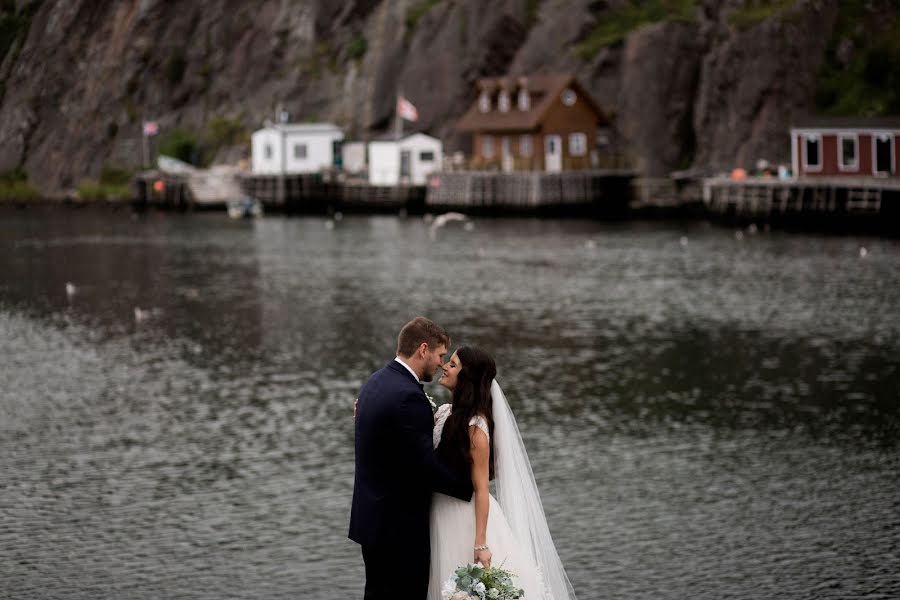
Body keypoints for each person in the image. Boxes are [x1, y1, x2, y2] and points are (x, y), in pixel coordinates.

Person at [427, 346, 577, 600]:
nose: (444, 366)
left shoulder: (477, 428)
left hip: (463, 517)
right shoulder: (442, 413)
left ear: (467, 379)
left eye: (452, 365)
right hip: (437, 512)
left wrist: (481, 543)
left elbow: (482, 489)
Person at [349, 317, 474, 600]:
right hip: (399, 529)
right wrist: (468, 490)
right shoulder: (407, 395)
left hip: (374, 519)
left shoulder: (377, 381)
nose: (442, 363)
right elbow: (423, 467)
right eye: (440, 355)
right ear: (423, 349)